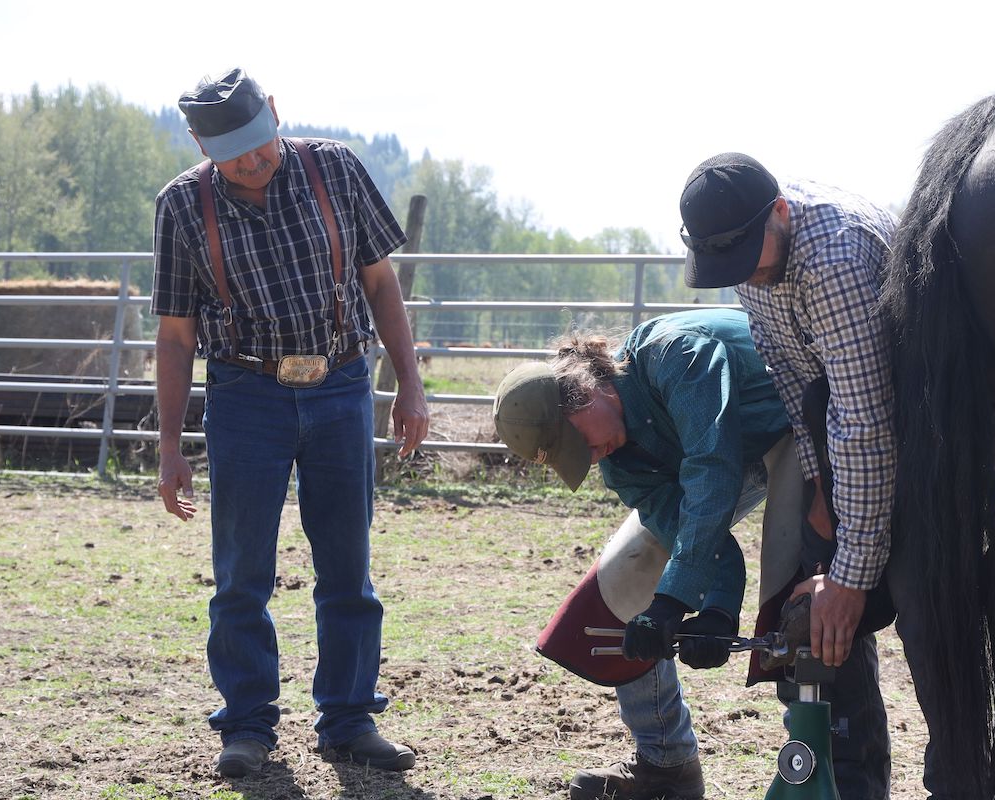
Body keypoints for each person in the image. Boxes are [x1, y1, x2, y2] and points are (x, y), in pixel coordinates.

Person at [152, 68, 428, 779]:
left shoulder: (334, 168)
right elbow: (178, 335)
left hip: (339, 384)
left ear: (274, 112)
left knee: (347, 564)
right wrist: (170, 445)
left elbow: (380, 283)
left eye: (259, 143)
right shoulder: (182, 206)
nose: (252, 161)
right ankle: (246, 725)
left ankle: (349, 718)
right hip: (246, 395)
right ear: (200, 144)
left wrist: (410, 387)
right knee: (242, 570)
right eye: (234, 153)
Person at [493, 309, 890, 800]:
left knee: (807, 590)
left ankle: (833, 767)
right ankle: (666, 763)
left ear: (585, 392)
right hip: (735, 460)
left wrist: (679, 602)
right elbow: (687, 524)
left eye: (581, 443)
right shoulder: (620, 463)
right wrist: (713, 609)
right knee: (627, 577)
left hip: (800, 426)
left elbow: (712, 469)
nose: (591, 457)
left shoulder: (675, 354)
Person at [680, 153, 899, 788]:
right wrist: (820, 492)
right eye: (730, 265)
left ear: (780, 212)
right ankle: (843, 777)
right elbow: (800, 386)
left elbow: (866, 420)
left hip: (914, 429)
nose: (745, 274)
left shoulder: (832, 262)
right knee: (813, 613)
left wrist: (850, 575)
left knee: (890, 602)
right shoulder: (750, 260)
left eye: (752, 254)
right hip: (849, 434)